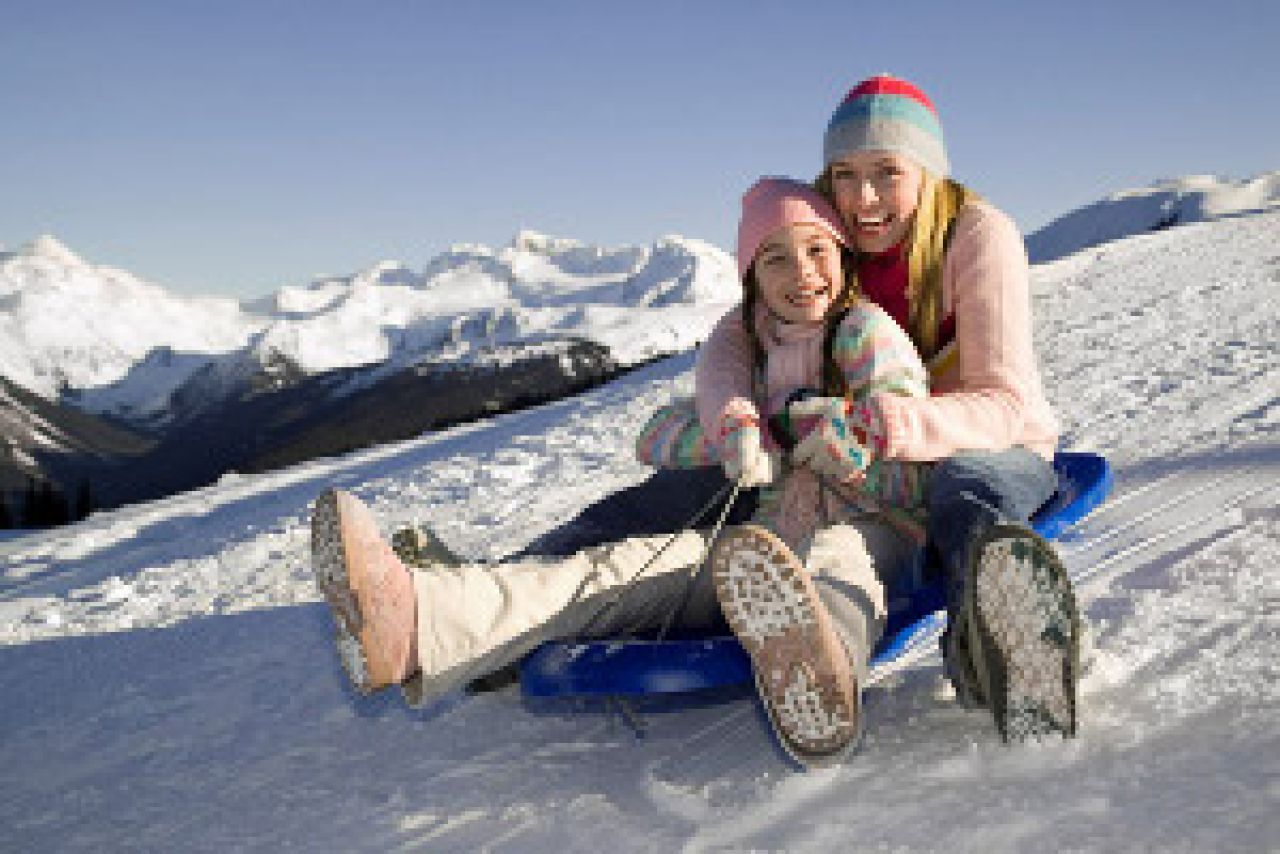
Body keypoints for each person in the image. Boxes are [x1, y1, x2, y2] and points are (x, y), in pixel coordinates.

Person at [310, 177, 933, 767]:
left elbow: (904, 429)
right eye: (775, 258)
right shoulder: (755, 354)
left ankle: (823, 686)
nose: (801, 273)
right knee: (615, 571)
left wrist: (836, 436)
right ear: (751, 278)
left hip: (875, 525)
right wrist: (743, 432)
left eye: (816, 250)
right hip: (763, 553)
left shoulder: (866, 331)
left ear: (844, 258)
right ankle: (418, 623)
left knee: (836, 559)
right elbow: (654, 437)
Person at [696, 74, 1081, 742]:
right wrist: (735, 417)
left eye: (886, 173)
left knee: (969, 495)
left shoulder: (976, 236)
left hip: (985, 448)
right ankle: (489, 588)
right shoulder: (826, 236)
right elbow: (734, 336)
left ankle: (1008, 659)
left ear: (927, 171)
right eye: (843, 174)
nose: (862, 198)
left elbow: (1007, 403)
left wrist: (891, 425)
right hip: (867, 467)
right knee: (700, 484)